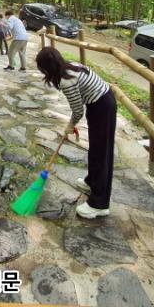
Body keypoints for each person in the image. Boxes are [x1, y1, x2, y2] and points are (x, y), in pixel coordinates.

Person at [36, 46, 116, 219]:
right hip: (98, 104)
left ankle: (100, 204)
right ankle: (92, 181)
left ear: (48, 68)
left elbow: (78, 110)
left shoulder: (67, 80)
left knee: (102, 153)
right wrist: (71, 125)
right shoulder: (70, 66)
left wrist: (70, 126)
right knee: (95, 149)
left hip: (103, 106)